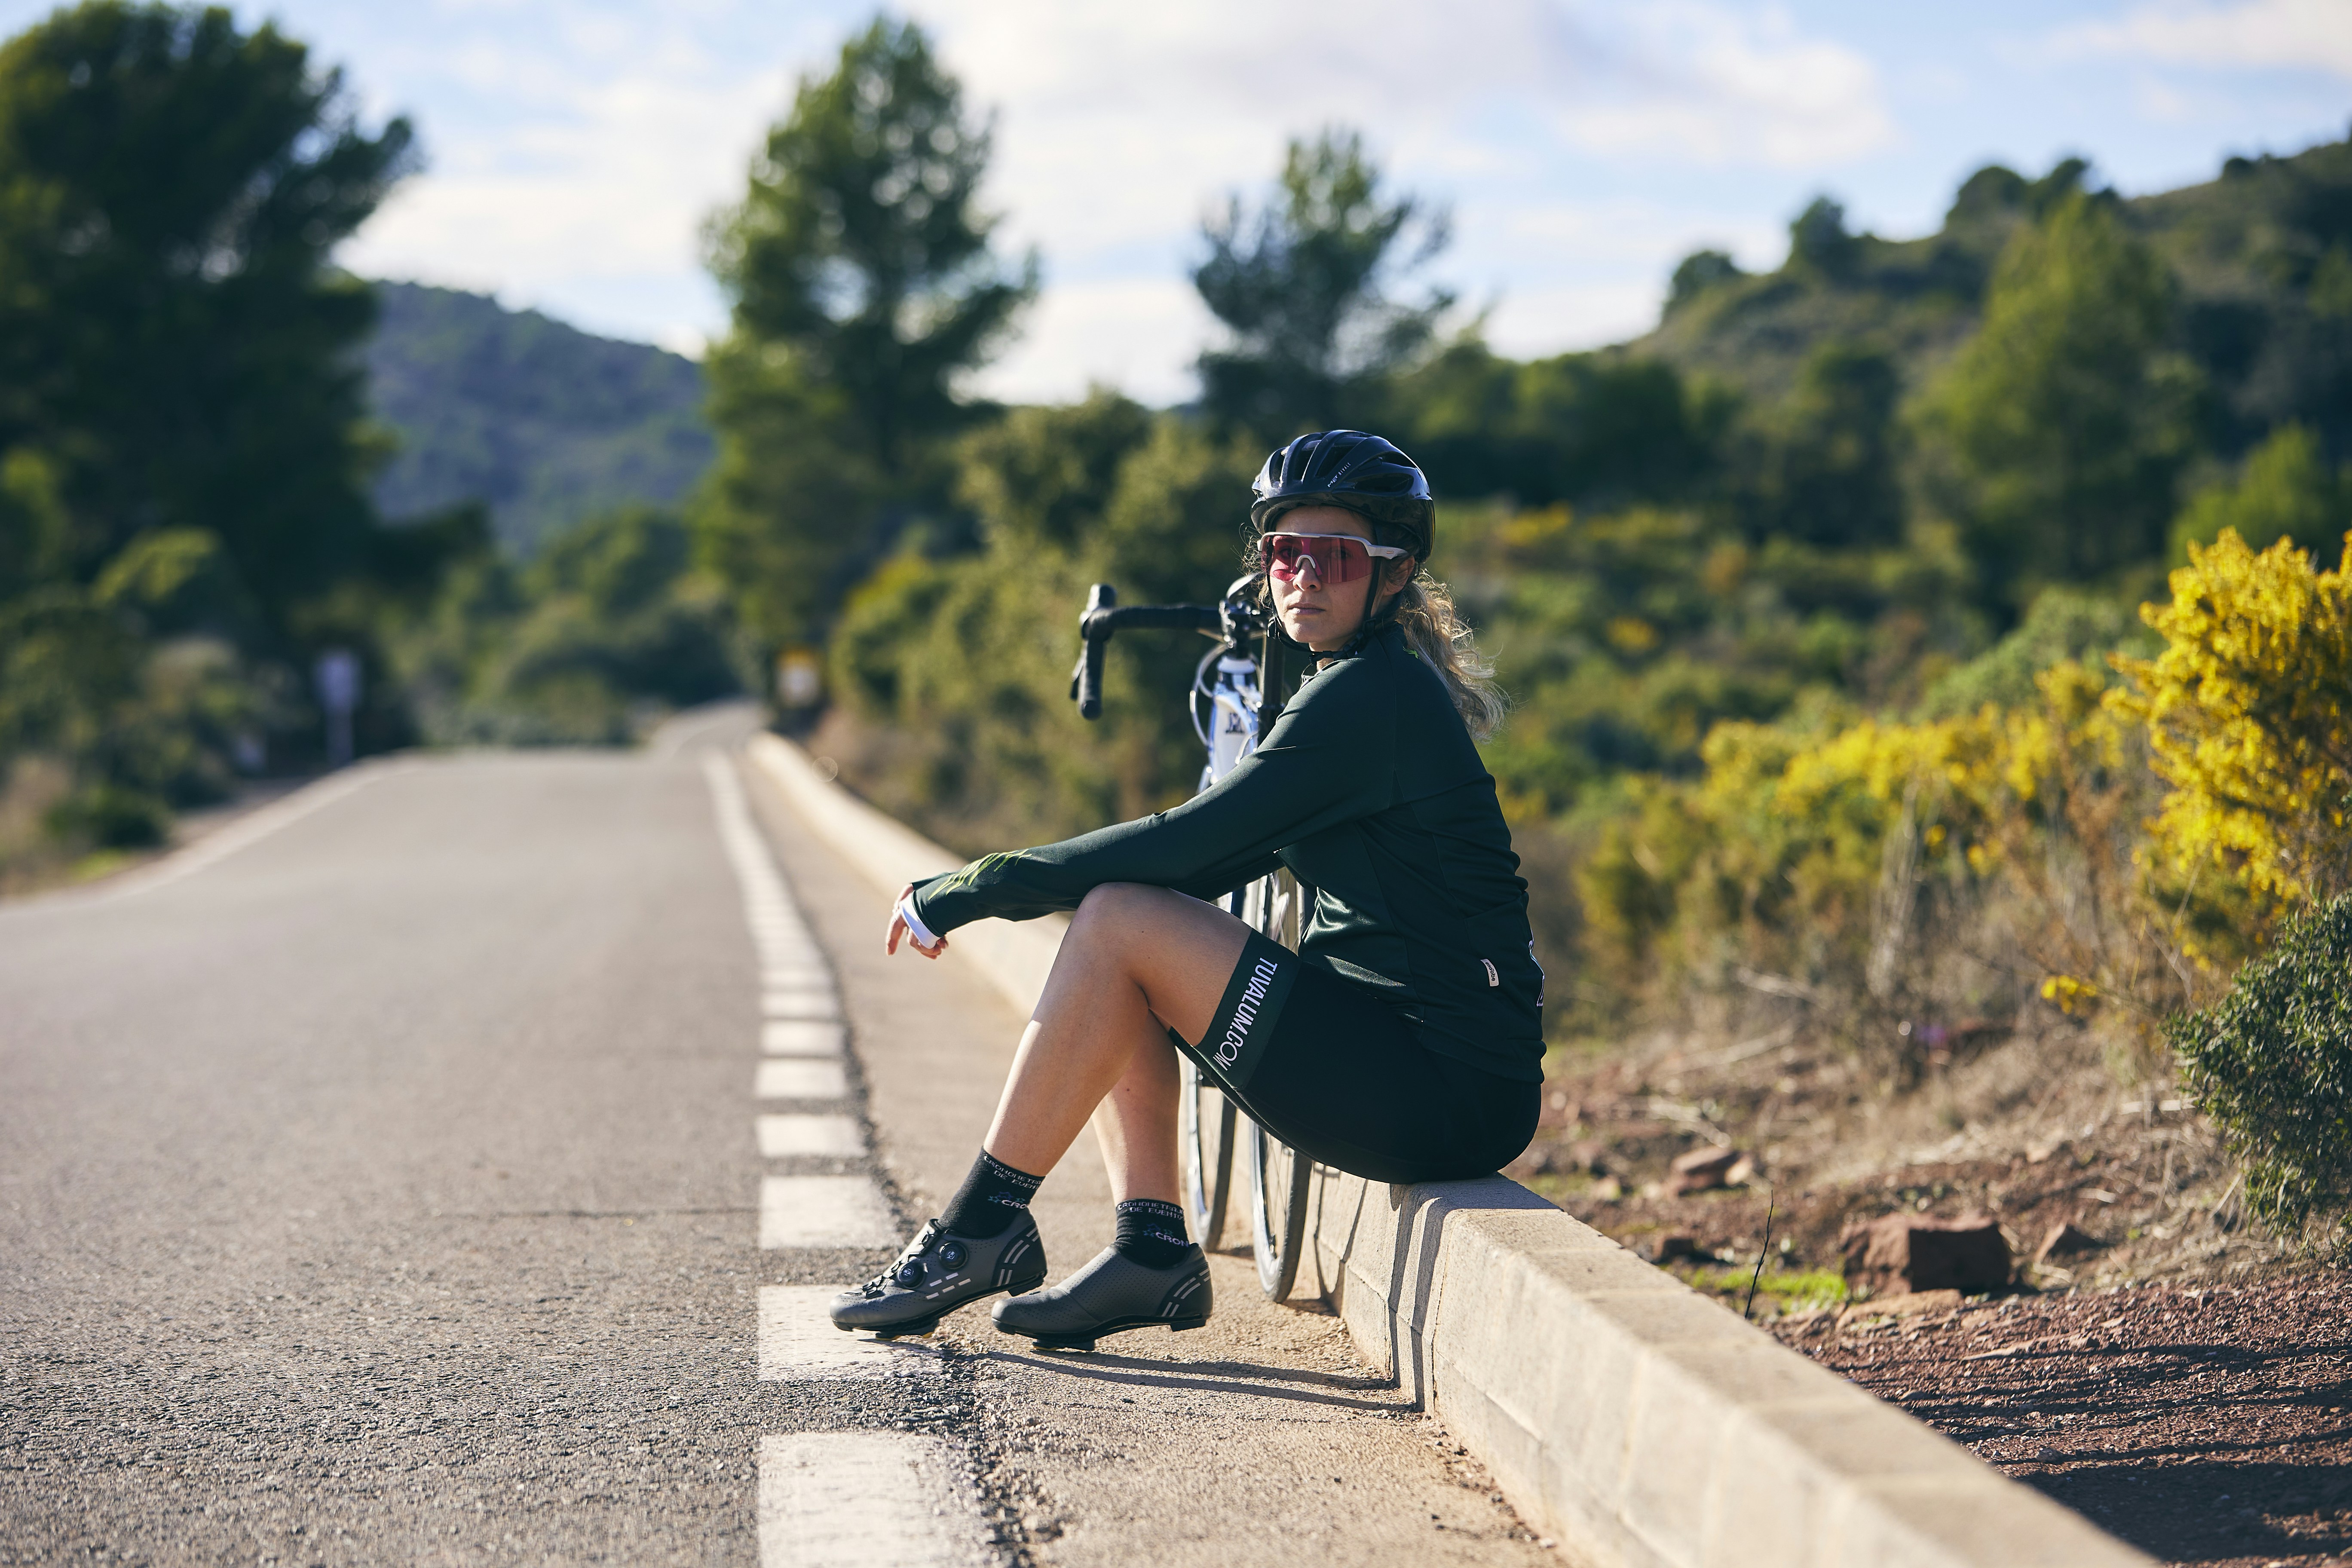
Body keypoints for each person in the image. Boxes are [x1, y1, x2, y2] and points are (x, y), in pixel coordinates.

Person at [830, 429, 1544, 1347]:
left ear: (1394, 574)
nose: (1302, 577)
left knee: (1122, 918)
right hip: (1421, 1066)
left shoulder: (1372, 699)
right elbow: (1210, 861)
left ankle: (981, 1230)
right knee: (1122, 930)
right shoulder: (1361, 686)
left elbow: (1191, 848)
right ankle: (1151, 1251)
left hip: (1438, 1088)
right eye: (1285, 553)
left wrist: (971, 888)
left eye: (1333, 556)